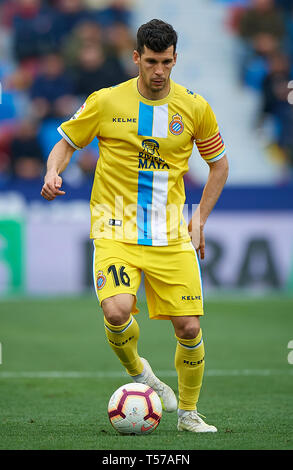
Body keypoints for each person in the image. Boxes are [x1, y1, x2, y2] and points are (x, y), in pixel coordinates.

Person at [41, 19, 229, 433]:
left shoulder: (195, 107)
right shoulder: (106, 101)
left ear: (175, 59)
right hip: (114, 228)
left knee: (190, 326)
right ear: (136, 58)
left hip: (170, 234)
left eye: (166, 62)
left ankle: (188, 414)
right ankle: (141, 374)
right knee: (116, 310)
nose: (158, 70)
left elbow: (219, 165)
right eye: (150, 61)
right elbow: (66, 143)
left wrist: (199, 219)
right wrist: (53, 173)